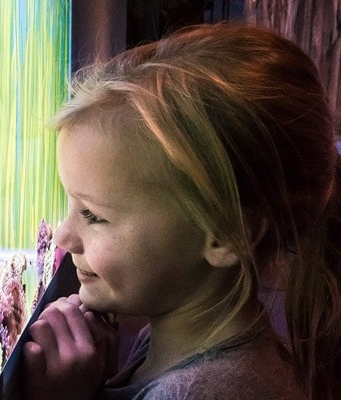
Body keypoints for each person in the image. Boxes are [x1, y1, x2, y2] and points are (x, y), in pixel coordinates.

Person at [21, 23, 341, 400]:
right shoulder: (173, 337)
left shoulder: (200, 392)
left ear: (225, 234)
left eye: (93, 215)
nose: (63, 235)